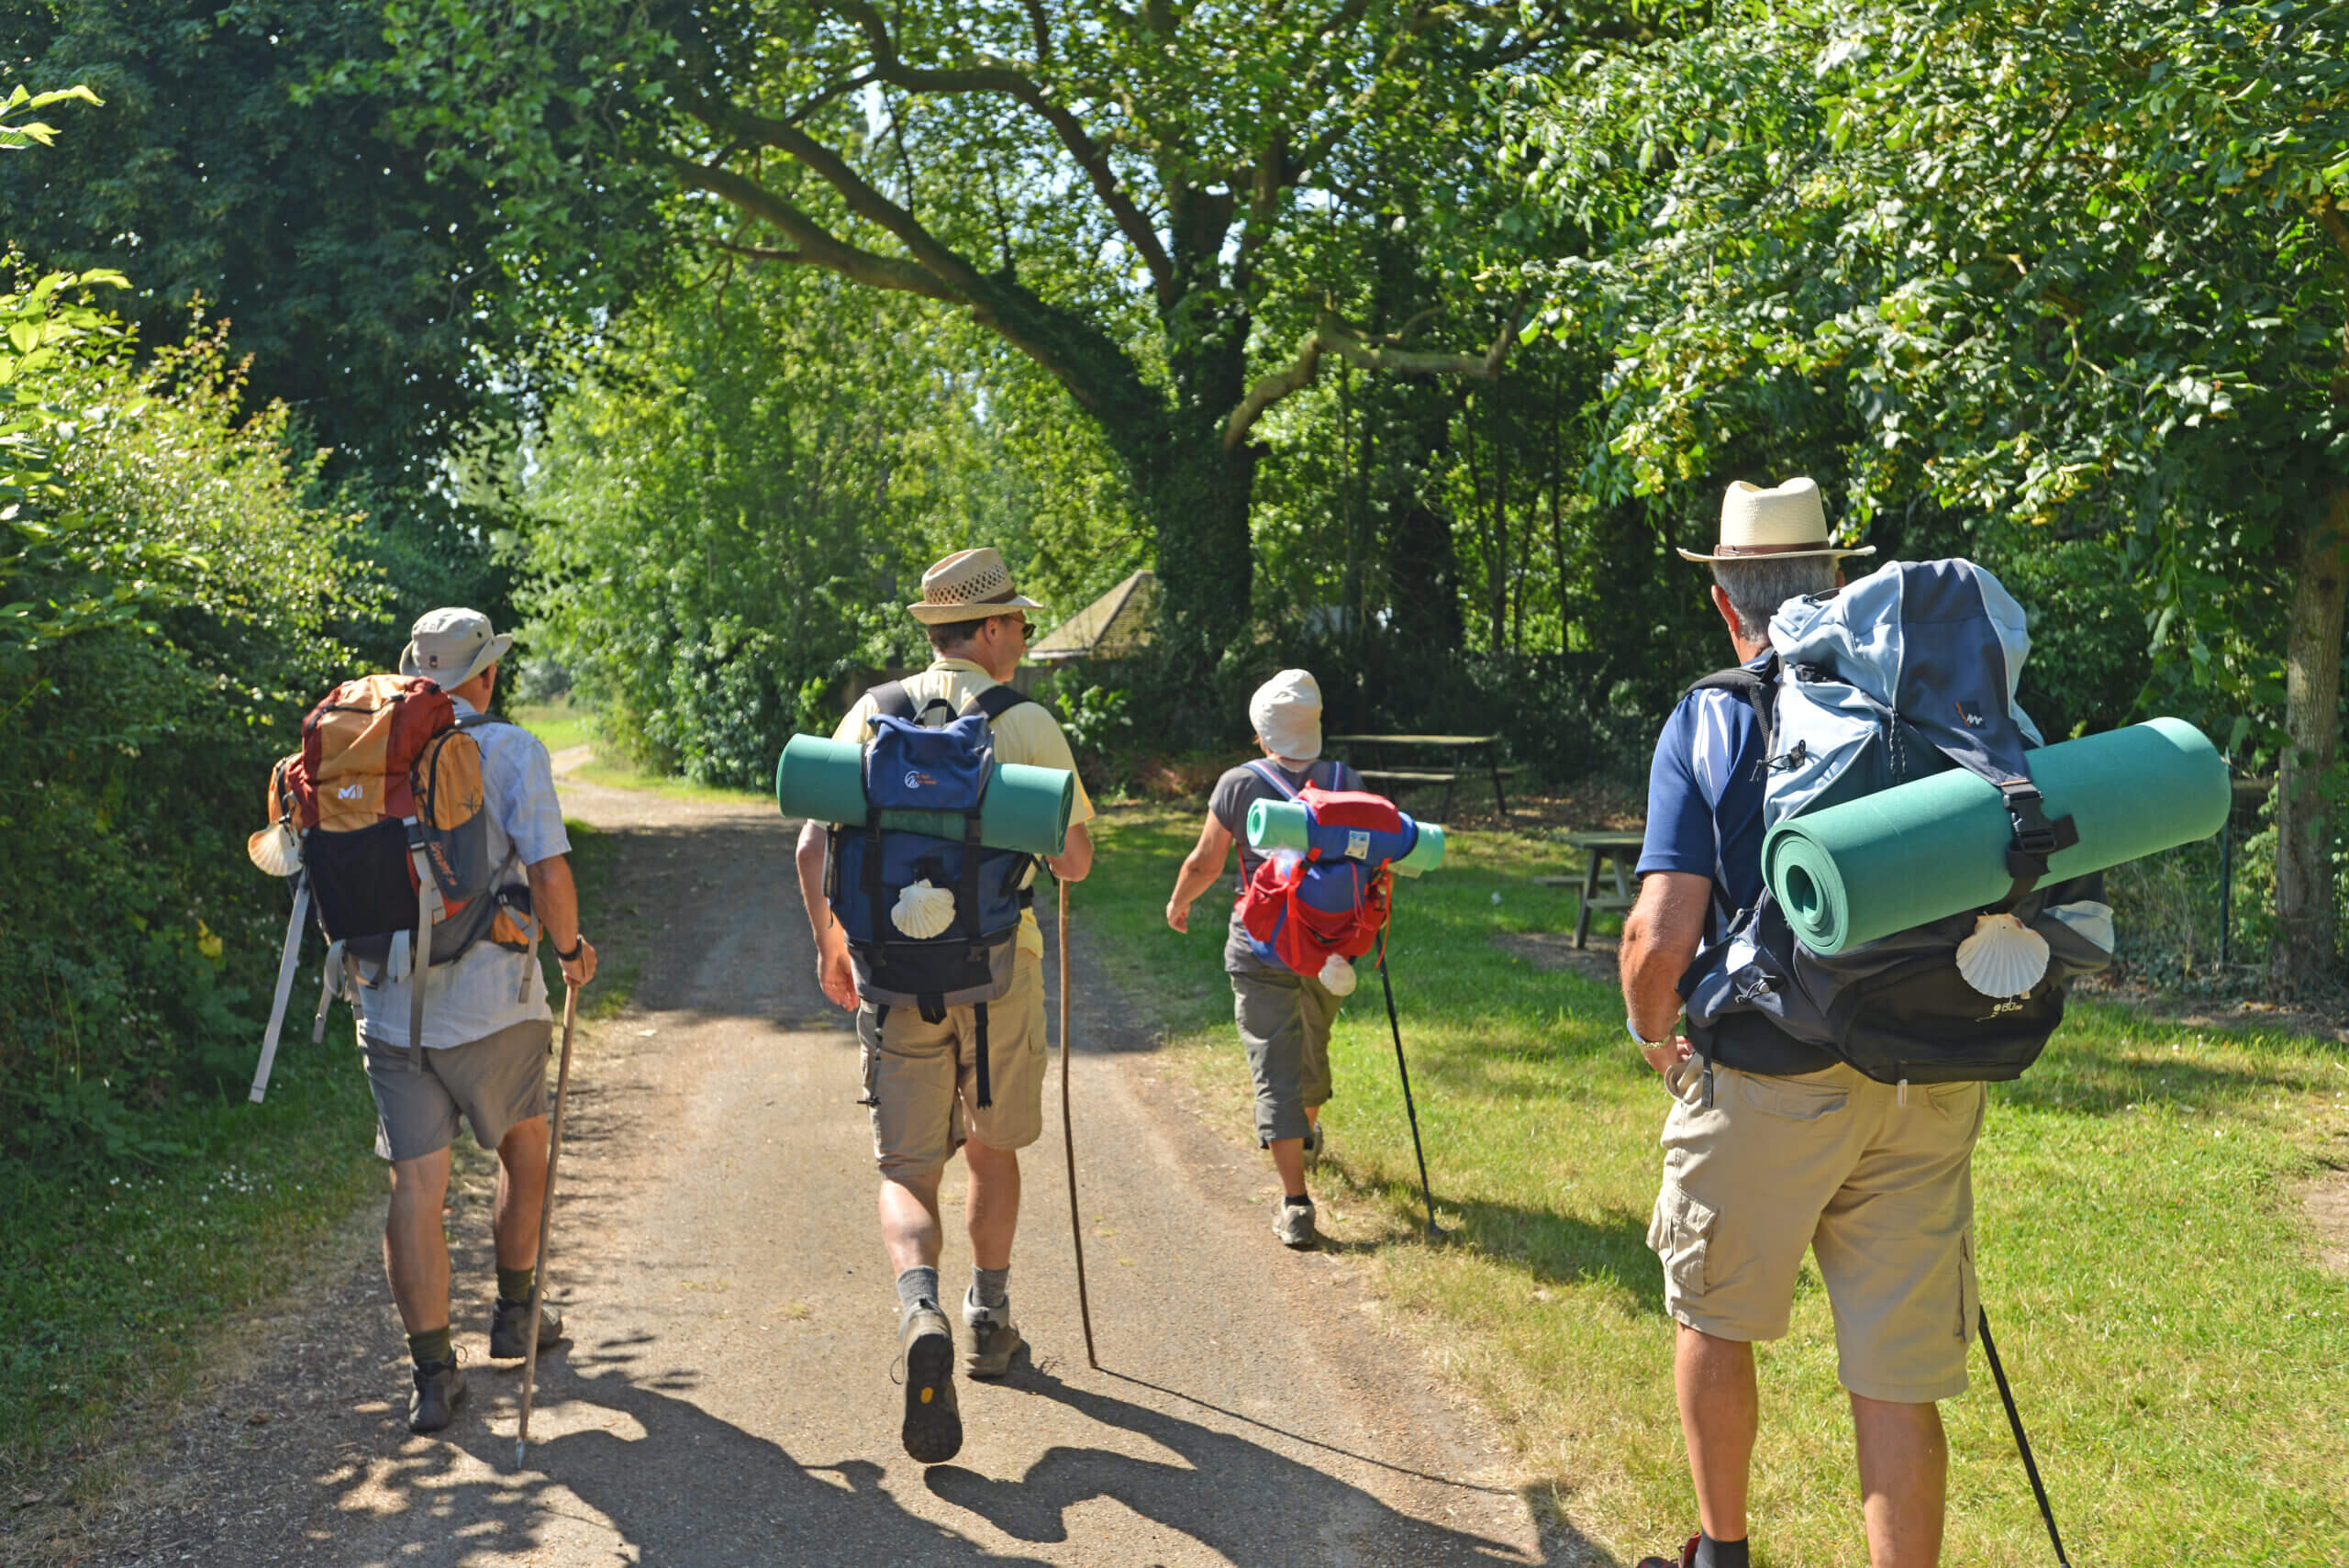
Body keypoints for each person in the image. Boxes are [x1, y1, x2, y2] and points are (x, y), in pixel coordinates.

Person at [1621, 479, 1979, 1568]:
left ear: (1726, 598)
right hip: (1924, 1067)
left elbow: (1659, 931)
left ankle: (1722, 1551)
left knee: (1715, 1314)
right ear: (1835, 581)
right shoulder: (1919, 698)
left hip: (1768, 1076)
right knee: (1896, 1370)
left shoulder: (1715, 711)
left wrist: (1651, 1032)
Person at [792, 547, 1095, 1465]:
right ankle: (988, 1320)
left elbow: (812, 846)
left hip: (893, 972)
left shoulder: (872, 712)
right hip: (1001, 968)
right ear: (990, 629)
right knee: (993, 1146)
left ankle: (919, 1302)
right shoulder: (1028, 719)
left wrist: (831, 945)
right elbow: (1075, 858)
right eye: (1019, 623)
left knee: (907, 1168)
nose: (1026, 638)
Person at [361, 608, 598, 1435]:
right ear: (486, 674)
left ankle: (432, 1376)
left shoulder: (369, 750)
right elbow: (549, 868)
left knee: (415, 1187)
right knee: (525, 1143)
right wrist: (569, 950)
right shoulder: (510, 750)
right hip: (494, 998)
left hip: (391, 1003)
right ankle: (516, 1312)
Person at [1163, 669, 1364, 1250]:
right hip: (1328, 949)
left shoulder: (1238, 783)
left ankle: (1296, 1203)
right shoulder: (1344, 778)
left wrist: (1180, 901)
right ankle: (1307, 1133)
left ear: (1262, 730)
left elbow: (1206, 860)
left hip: (1260, 945)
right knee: (1312, 1047)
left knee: (1273, 1065)